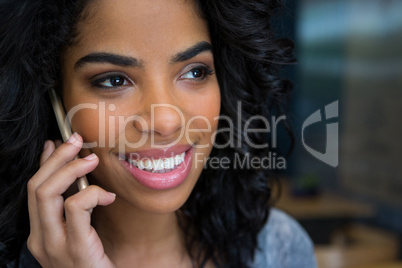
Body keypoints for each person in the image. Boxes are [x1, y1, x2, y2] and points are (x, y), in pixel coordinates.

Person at [0, 0, 317, 267]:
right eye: (114, 80)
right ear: (55, 97)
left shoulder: (278, 250)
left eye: (195, 72)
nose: (166, 121)